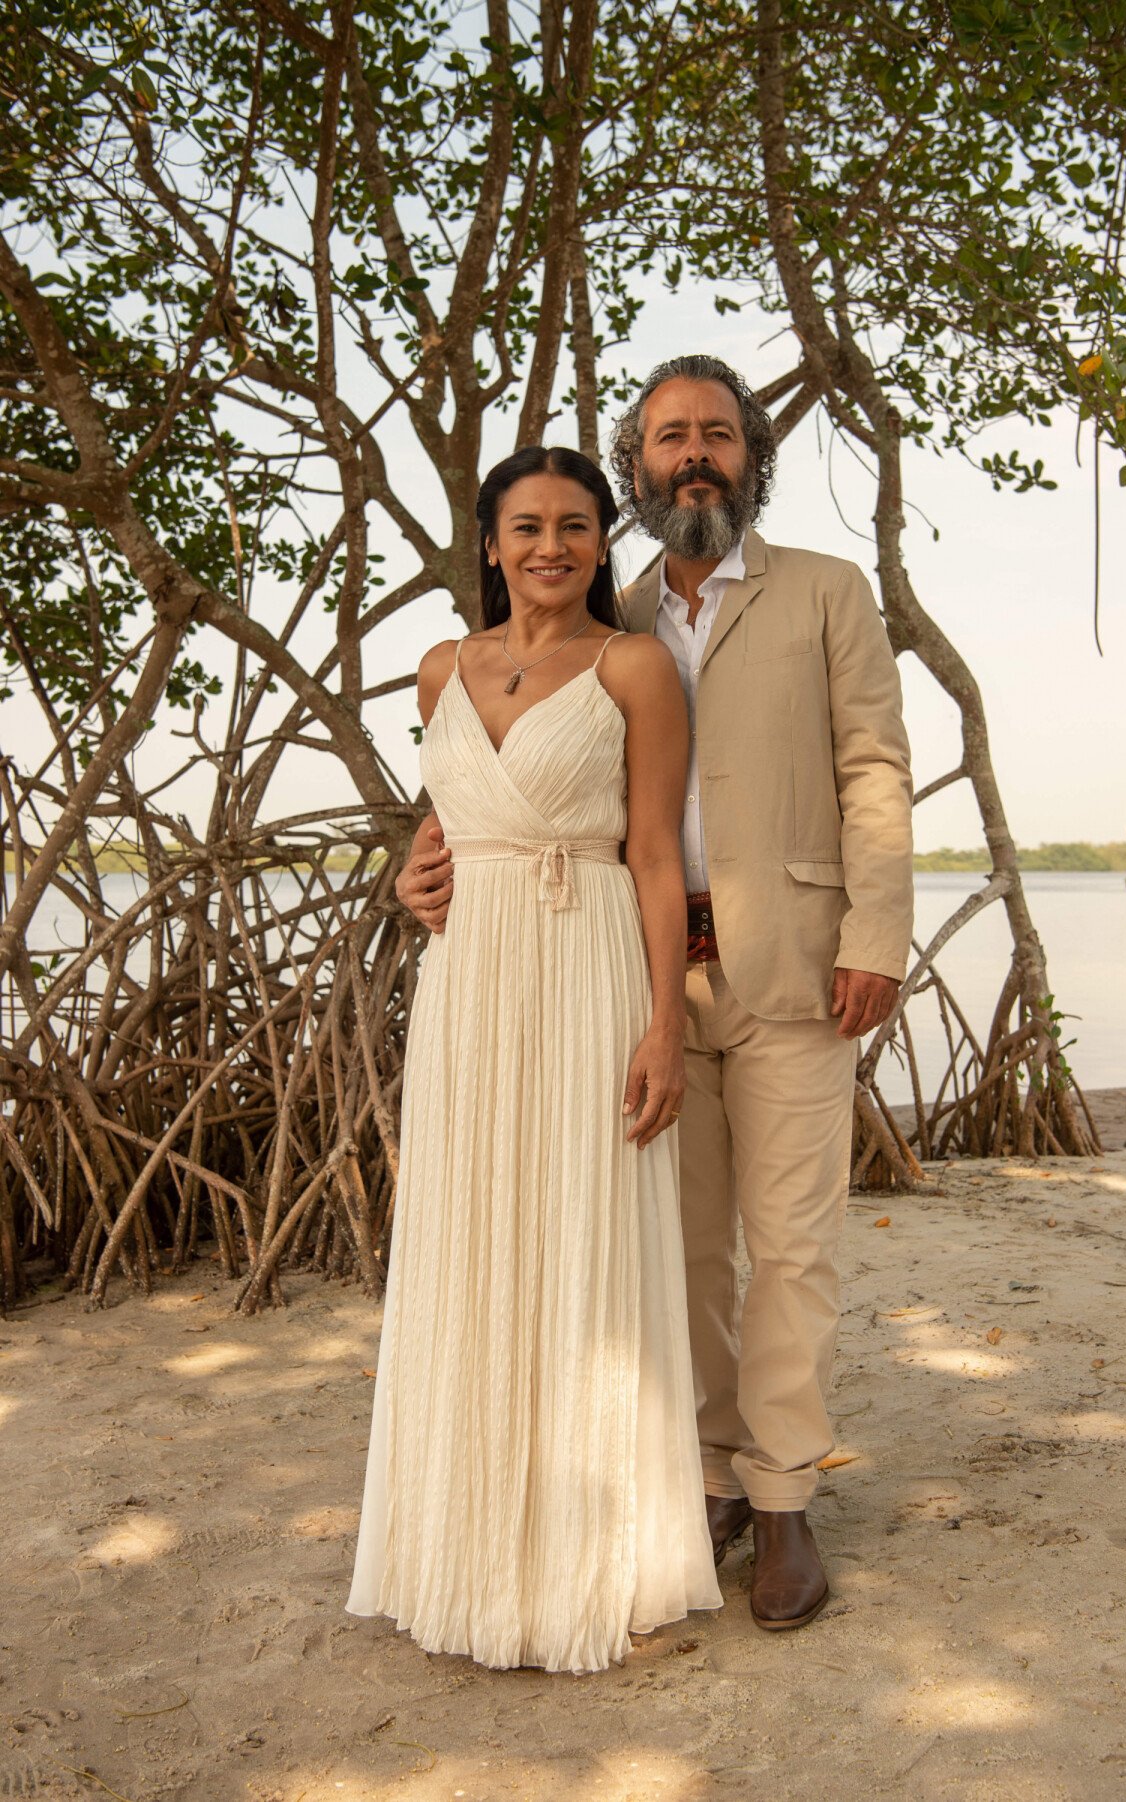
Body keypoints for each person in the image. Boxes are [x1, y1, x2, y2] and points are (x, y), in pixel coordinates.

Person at [400, 356, 914, 1633]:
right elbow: (518, 790)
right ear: (638, 464)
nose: (697, 455)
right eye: (672, 437)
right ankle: (708, 1470)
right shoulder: (609, 610)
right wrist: (429, 861)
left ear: (754, 456)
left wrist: (878, 935)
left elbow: (876, 764)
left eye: (719, 436)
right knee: (673, 1250)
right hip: (633, 978)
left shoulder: (827, 592)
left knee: (791, 1241)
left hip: (795, 961)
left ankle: (786, 1494)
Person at [347, 445, 721, 1673]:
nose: (549, 545)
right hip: (470, 978)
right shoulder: (440, 665)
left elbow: (657, 855)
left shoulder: (635, 668)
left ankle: (581, 1556)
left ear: (604, 541)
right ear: (491, 541)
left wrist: (665, 1025)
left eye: (573, 524)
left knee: (578, 1232)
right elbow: (455, 806)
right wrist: (413, 866)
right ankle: (462, 1547)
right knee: (473, 1234)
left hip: (588, 967)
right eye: (526, 525)